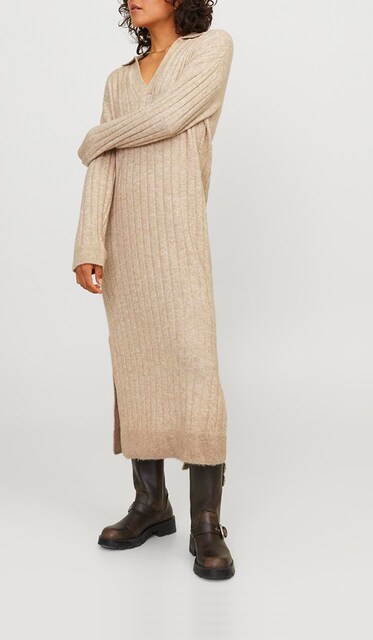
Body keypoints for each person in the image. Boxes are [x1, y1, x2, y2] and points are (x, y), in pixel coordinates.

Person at [72, 0, 235, 580]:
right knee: (136, 365)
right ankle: (150, 504)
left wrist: (95, 137)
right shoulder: (118, 81)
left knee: (195, 367)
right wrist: (89, 242)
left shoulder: (210, 50)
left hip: (178, 235)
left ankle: (206, 523)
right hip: (125, 242)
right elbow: (105, 167)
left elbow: (170, 117)